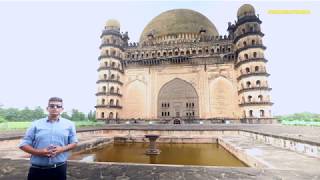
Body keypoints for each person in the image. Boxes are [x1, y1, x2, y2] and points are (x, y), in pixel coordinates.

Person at [19, 97, 78, 180]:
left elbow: (74, 142)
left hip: (59, 169)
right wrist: (39, 152)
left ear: (62, 109)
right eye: (52, 106)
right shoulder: (35, 124)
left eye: (58, 106)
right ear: (47, 108)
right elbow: (23, 144)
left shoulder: (69, 124)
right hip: (37, 170)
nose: (55, 108)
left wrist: (62, 149)